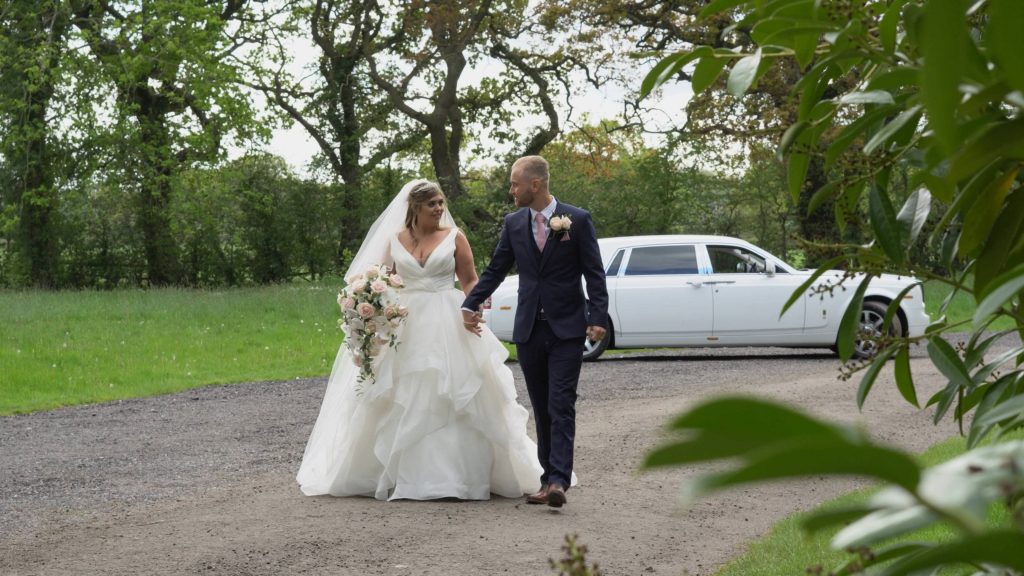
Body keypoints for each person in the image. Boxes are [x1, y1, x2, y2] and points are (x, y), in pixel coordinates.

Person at [296, 179, 543, 501]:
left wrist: (475, 307)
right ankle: (396, 474)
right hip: (406, 323)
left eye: (441, 203)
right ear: (415, 208)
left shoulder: (455, 238)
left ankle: (459, 477)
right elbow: (378, 282)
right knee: (402, 390)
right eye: (433, 204)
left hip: (447, 317)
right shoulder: (395, 240)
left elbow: (470, 280)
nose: (440, 209)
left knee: (454, 388)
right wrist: (368, 309)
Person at [461, 155, 608, 508]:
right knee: (542, 407)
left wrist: (598, 316)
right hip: (528, 329)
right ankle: (547, 480)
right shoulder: (513, 224)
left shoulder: (577, 219)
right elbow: (496, 269)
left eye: (515, 184)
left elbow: (594, 273)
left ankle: (558, 480)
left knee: (561, 403)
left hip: (567, 328)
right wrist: (470, 303)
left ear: (535, 184)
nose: (511, 190)